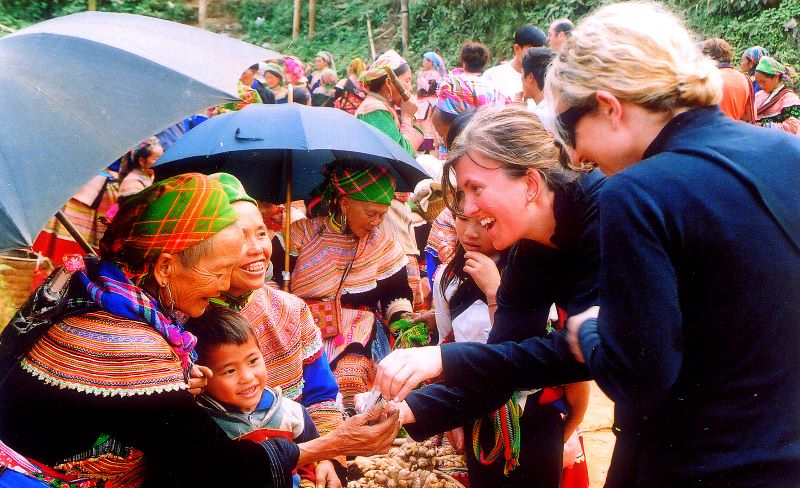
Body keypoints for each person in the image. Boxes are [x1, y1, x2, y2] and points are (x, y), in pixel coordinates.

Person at [377, 2, 800, 486]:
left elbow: (638, 373)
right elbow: (515, 350)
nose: (575, 153)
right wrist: (419, 399)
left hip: (691, 462)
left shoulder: (637, 193)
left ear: (610, 107)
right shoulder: (788, 153)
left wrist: (592, 333)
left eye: (572, 129)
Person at [0, 173, 401, 487]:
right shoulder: (125, 342)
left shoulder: (93, 287)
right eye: (218, 272)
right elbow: (216, 468)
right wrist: (335, 444)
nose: (226, 286)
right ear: (165, 267)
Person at [387, 106, 599, 487]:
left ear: (530, 184)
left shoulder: (609, 216)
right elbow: (503, 366)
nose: (467, 210)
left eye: (476, 189)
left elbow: (605, 348)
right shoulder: (530, 251)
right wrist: (401, 413)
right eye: (462, 193)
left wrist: (441, 357)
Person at [207, 173, 347, 483]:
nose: (257, 248)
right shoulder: (184, 322)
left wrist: (326, 455)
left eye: (261, 233)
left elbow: (322, 396)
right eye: (240, 237)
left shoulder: (291, 311)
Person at [271, 163, 414, 416]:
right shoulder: (301, 234)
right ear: (345, 204)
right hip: (302, 329)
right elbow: (270, 286)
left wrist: (405, 322)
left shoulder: (384, 245)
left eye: (382, 215)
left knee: (350, 375)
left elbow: (396, 297)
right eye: (371, 213)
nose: (377, 222)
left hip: (360, 334)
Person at [186, 305, 334, 488]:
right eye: (230, 371)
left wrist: (310, 479)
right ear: (202, 375)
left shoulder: (291, 413)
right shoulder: (203, 426)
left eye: (253, 361)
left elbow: (311, 458)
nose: (247, 377)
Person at [355, 50, 423, 157]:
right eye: (407, 80)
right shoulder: (374, 109)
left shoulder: (381, 105)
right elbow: (401, 155)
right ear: (389, 83)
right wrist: (407, 117)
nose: (410, 87)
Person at [482, 24, 547, 100]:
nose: (537, 57)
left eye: (540, 52)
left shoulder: (547, 78)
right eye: (533, 52)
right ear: (517, 48)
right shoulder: (493, 76)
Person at [701, 38, 755, 122]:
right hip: (734, 131)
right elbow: (749, 117)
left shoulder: (704, 79)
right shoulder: (745, 79)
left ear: (706, 57)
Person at [753, 56, 800, 134]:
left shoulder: (790, 100)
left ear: (776, 77)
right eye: (758, 82)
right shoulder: (758, 95)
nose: (761, 86)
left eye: (763, 82)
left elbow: (793, 128)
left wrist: (762, 126)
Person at [521, 47, 556, 128]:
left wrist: (518, 112)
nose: (521, 78)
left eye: (522, 73)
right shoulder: (557, 107)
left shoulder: (537, 118)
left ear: (530, 77)